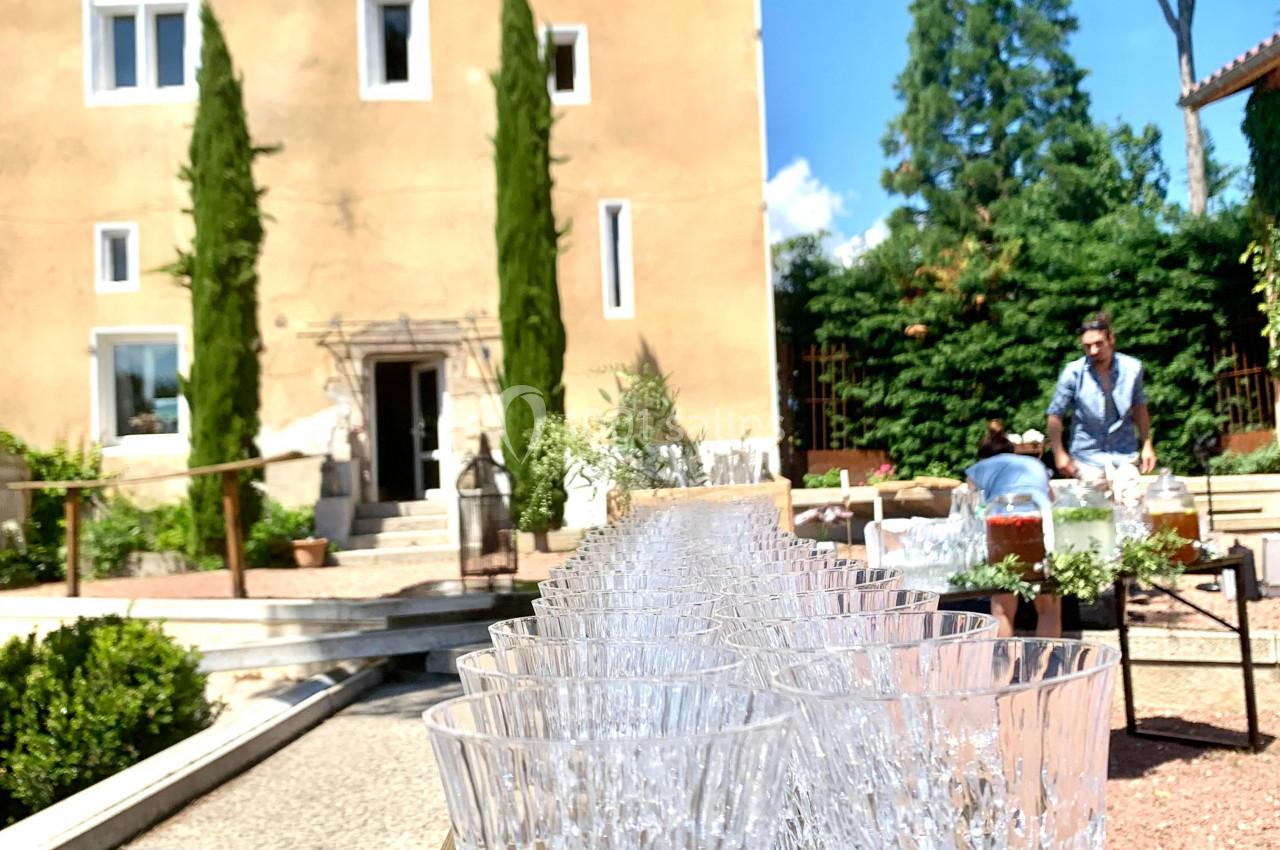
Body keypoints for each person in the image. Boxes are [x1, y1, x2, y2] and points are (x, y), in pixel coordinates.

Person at [966, 420, 1060, 638]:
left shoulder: (980, 467)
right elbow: (1052, 498)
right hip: (1040, 526)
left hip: (1002, 528)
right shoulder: (1035, 464)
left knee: (1002, 609)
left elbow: (970, 504)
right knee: (1048, 607)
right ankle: (1047, 669)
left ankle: (1004, 669)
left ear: (983, 455)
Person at [1047, 312, 1156, 480]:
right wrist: (1059, 453)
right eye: (1087, 346)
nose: (1093, 350)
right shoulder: (1073, 373)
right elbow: (1055, 414)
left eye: (1099, 344)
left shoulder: (1132, 369)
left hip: (1124, 454)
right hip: (1087, 457)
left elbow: (1139, 407)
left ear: (1111, 339)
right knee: (1095, 505)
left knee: (1130, 500)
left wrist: (1147, 445)